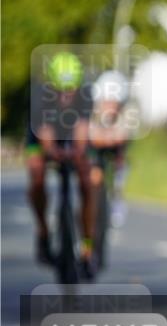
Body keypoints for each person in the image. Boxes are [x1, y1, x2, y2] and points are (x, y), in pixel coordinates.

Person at [25, 51, 95, 273]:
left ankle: (87, 244)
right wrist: (52, 153)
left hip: (71, 134)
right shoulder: (41, 96)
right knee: (37, 173)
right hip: (42, 136)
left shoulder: (85, 95)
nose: (66, 95)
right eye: (61, 90)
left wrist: (77, 153)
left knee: (87, 178)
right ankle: (43, 231)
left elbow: (82, 134)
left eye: (71, 90)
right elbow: (45, 136)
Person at [88, 69, 137, 230]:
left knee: (122, 163)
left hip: (115, 151)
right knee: (92, 174)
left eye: (115, 102)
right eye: (107, 101)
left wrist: (111, 138)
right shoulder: (92, 111)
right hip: (95, 150)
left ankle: (117, 194)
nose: (110, 106)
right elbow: (92, 136)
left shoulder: (127, 113)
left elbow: (123, 136)